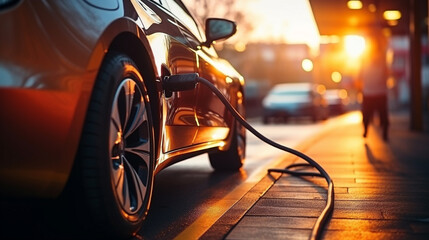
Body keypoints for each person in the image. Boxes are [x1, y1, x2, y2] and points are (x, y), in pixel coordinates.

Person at [360, 31, 390, 141]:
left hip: (369, 92)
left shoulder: (365, 58)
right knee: (383, 114)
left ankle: (366, 130)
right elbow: (386, 73)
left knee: (366, 114)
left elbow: (360, 74)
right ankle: (384, 133)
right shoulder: (382, 57)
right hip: (379, 91)